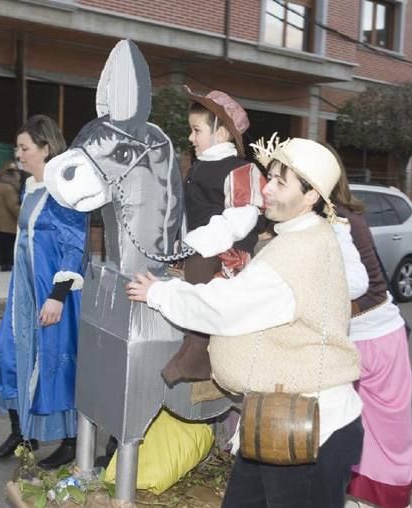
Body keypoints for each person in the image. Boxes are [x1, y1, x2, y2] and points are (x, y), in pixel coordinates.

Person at [127, 137, 364, 507]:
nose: (266, 189)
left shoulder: (298, 251)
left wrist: (160, 294)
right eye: (269, 177)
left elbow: (225, 310)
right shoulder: (301, 237)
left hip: (302, 428)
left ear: (311, 197)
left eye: (281, 183)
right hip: (275, 419)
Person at [0, 115, 87, 469]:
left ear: (46, 148)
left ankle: (71, 441)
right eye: (18, 147)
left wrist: (57, 295)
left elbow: (75, 247)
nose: (18, 154)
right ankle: (23, 433)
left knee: (59, 365)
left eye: (24, 148)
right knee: (8, 358)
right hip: (22, 295)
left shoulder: (65, 191)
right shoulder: (32, 187)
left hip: (52, 296)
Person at [160, 86, 266, 384]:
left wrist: (195, 245)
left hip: (227, 256)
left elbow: (240, 219)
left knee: (200, 271)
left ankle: (198, 350)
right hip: (197, 249)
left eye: (197, 130)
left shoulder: (241, 170)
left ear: (221, 134)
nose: (191, 138)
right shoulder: (198, 168)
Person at [330, 162, 412, 508]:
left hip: (374, 334)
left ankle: (379, 498)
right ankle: (360, 494)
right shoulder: (337, 216)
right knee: (352, 424)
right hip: (359, 335)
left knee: (384, 428)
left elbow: (359, 285)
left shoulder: (337, 220)